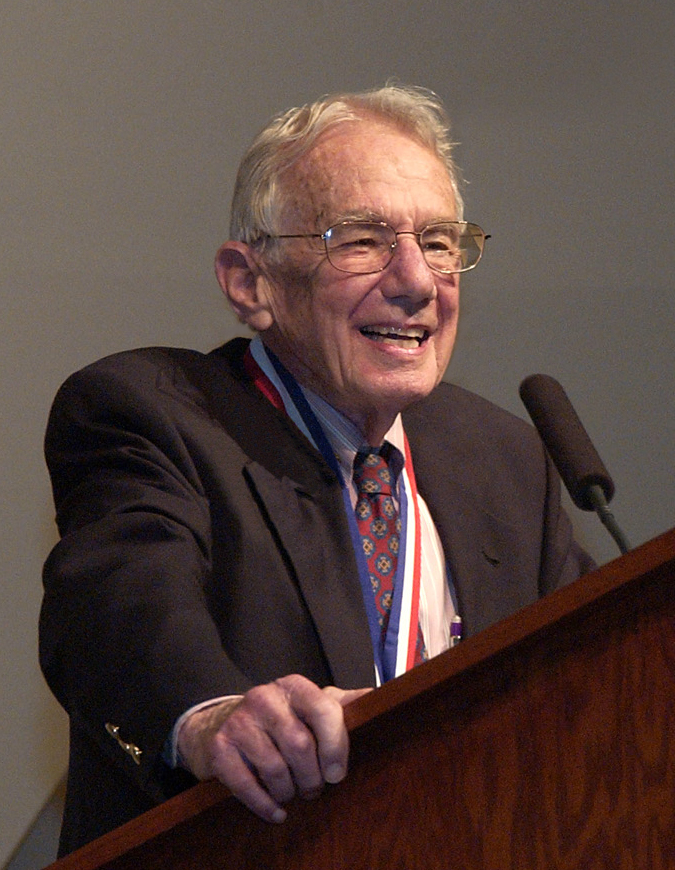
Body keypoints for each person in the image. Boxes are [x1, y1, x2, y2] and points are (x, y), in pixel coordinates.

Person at [40, 84, 595, 857]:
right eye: (362, 239)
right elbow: (118, 609)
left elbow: (594, 690)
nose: (416, 281)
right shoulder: (151, 412)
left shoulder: (501, 457)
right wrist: (210, 717)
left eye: (438, 242)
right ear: (250, 282)